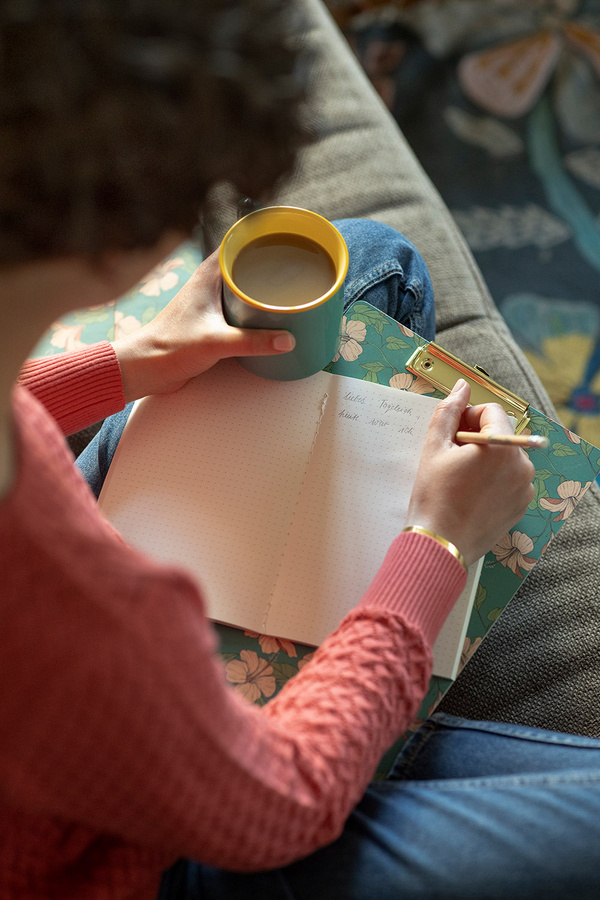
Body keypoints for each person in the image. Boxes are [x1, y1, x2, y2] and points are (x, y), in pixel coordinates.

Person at [2, 1, 600, 899]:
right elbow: (280, 799)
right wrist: (438, 544)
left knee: (371, 261)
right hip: (154, 838)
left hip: (70, 699)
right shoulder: (98, 624)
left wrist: (132, 362)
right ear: (120, 252)